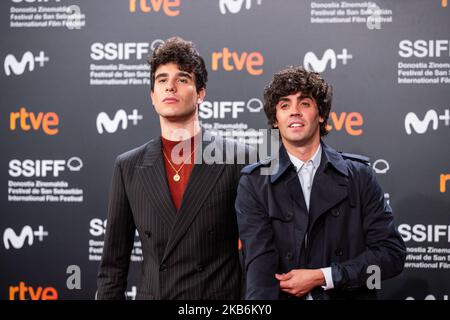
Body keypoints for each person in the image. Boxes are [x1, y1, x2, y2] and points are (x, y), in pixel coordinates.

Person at [235, 66, 406, 300]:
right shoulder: (255, 183)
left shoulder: (360, 177)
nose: (294, 111)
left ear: (321, 114)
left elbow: (391, 256)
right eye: (285, 105)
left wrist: (325, 276)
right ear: (276, 120)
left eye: (304, 103)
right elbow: (259, 270)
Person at [97, 37, 248, 299]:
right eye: (162, 80)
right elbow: (113, 265)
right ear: (152, 97)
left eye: (182, 79)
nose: (170, 87)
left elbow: (258, 254)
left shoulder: (238, 158)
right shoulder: (128, 166)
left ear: (200, 94)